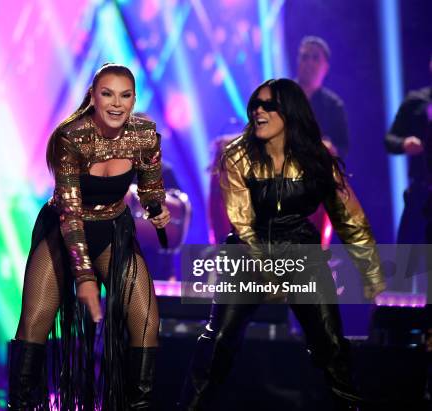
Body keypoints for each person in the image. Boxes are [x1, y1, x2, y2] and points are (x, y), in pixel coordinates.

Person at [179, 79, 386, 410]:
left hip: (301, 248)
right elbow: (242, 221)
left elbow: (350, 217)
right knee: (218, 342)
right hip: (248, 252)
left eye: (268, 105)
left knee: (331, 346)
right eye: (255, 105)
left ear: (289, 112)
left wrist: (371, 271)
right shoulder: (237, 156)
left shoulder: (317, 159)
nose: (258, 111)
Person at [9, 64, 170, 410]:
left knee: (146, 321)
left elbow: (150, 185)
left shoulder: (144, 135)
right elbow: (70, 213)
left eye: (125, 95)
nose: (116, 104)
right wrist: (84, 277)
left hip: (113, 229)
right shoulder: (72, 138)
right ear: (93, 98)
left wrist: (156, 206)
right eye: (107, 94)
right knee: (35, 323)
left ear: (134, 99)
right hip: (64, 229)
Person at [384, 55, 432, 299]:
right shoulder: (416, 101)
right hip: (421, 192)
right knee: (406, 260)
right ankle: (397, 327)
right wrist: (405, 143)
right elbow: (389, 140)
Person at [296, 36, 349, 159]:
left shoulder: (334, 105)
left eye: (315, 58)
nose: (309, 63)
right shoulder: (280, 97)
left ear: (325, 67)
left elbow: (343, 147)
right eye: (305, 57)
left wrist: (331, 149)